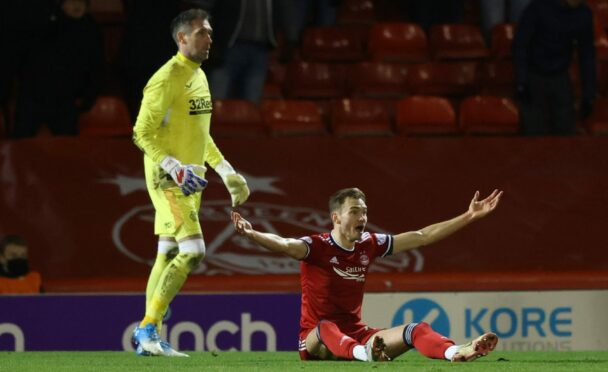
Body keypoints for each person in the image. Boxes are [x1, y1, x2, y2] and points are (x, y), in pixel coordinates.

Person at [231, 187, 503, 362]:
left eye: (364, 212)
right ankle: (366, 354)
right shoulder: (317, 246)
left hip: (357, 335)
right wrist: (251, 233)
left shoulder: (369, 244)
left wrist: (469, 216)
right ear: (336, 217)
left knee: (416, 329)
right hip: (315, 341)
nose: (362, 217)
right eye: (354, 212)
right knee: (327, 327)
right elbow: (284, 244)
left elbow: (421, 237)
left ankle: (456, 352)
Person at [131, 8, 250, 357]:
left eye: (210, 32)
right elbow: (141, 132)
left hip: (189, 179)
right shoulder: (166, 77)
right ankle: (146, 329)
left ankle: (150, 336)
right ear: (182, 38)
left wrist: (227, 171)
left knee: (167, 252)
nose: (209, 38)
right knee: (194, 251)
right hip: (168, 177)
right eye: (202, 33)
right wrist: (174, 166)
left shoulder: (199, 76)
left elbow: (201, 135)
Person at [12, 0, 104, 137]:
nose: (77, 5)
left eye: (82, 1)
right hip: (34, 96)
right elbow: (26, 61)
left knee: (68, 150)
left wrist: (87, 97)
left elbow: (97, 67)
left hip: (68, 100)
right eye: (71, 1)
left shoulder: (91, 29)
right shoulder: (43, 25)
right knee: (23, 146)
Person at [512, 0, 596, 136]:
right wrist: (521, 82)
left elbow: (587, 55)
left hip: (560, 76)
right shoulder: (538, 8)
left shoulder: (583, 14)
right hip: (533, 75)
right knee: (533, 134)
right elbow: (520, 45)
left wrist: (589, 95)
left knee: (566, 134)